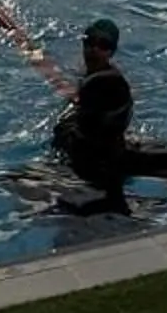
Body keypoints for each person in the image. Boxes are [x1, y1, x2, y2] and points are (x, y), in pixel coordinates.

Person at [51, 18, 135, 216]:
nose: (94, 49)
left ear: (111, 51)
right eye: (89, 42)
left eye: (103, 45)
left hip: (99, 164)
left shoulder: (112, 84)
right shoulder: (85, 75)